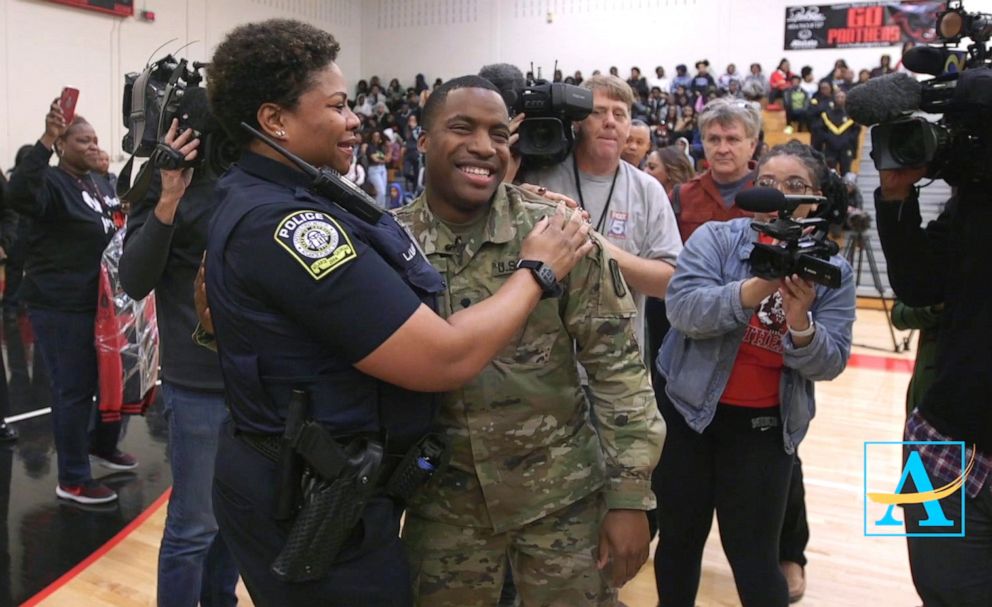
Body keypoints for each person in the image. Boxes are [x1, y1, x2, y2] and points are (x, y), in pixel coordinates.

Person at [203, 20, 593, 606]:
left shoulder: (273, 193)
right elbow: (445, 357)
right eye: (337, 105)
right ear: (274, 120)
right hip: (314, 500)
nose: (355, 118)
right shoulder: (289, 225)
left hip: (319, 481)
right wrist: (537, 270)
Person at [394, 74, 663, 607]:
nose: (483, 147)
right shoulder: (388, 243)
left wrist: (630, 497)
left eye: (498, 133)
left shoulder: (558, 233)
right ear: (422, 139)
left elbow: (620, 372)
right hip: (444, 510)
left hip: (561, 498)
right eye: (462, 127)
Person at [654, 141, 856, 606]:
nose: (778, 195)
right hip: (687, 415)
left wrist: (802, 323)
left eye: (794, 186)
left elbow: (832, 363)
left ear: (816, 199)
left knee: (753, 555)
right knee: (679, 541)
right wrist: (757, 287)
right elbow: (683, 310)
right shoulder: (715, 240)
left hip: (763, 428)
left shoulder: (831, 273)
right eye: (766, 185)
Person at [118, 115, 241, 607]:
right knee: (194, 527)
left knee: (234, 520)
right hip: (197, 385)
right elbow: (133, 279)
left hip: (254, 381)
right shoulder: (164, 185)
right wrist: (169, 193)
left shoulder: (247, 180)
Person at [876, 163, 992, 607]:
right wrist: (897, 195)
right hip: (945, 443)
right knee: (941, 591)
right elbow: (917, 288)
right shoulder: (976, 199)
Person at [6, 104, 134, 505]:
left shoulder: (98, 183)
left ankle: (100, 444)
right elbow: (19, 195)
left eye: (96, 139)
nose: (93, 145)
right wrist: (43, 141)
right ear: (61, 144)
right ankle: (73, 477)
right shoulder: (50, 182)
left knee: (114, 379)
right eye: (83, 140)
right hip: (60, 304)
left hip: (101, 304)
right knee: (74, 388)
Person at [521, 74, 683, 353]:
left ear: (629, 125)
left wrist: (601, 249)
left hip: (619, 367)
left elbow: (669, 282)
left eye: (620, 114)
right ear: (578, 121)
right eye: (597, 112)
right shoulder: (537, 179)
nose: (610, 121)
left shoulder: (648, 190)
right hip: (542, 365)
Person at [673, 98, 761, 242]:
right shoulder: (681, 197)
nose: (722, 149)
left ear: (752, 145)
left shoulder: (771, 195)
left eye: (732, 139)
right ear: (703, 142)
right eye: (714, 139)